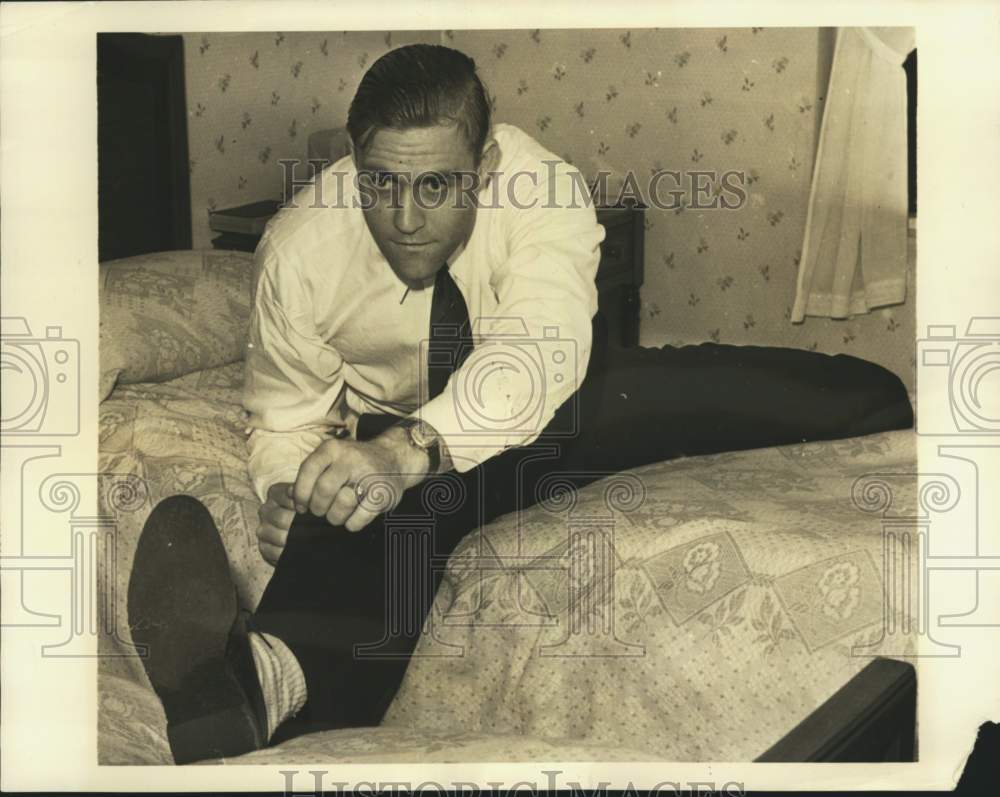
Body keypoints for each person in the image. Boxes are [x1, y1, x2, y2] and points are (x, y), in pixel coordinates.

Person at [127, 44, 914, 764]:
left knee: (826, 396)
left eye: (436, 184)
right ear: (354, 162)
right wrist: (290, 488)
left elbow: (534, 356)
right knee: (387, 510)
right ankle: (266, 682)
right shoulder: (298, 250)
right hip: (403, 441)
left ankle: (875, 399)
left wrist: (411, 447)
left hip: (562, 397)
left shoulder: (544, 188)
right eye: (382, 184)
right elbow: (285, 413)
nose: (405, 218)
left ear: (487, 160)